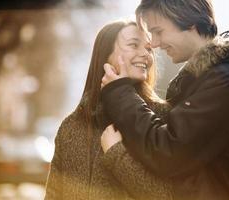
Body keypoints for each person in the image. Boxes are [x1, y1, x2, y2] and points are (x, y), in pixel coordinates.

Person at [100, 0, 229, 200]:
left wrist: (120, 93)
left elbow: (167, 152)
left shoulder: (227, 82)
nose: (154, 43)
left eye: (158, 31)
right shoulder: (212, 79)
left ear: (190, 22)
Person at [44, 20, 173, 200]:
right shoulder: (71, 127)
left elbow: (165, 196)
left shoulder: (163, 118)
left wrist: (117, 154)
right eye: (133, 45)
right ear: (105, 54)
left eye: (149, 48)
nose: (145, 54)